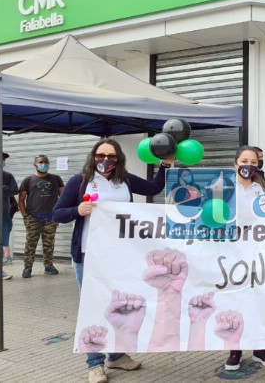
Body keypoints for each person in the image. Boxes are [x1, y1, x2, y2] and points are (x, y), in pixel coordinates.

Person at [52, 138, 174, 383]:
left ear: (118, 159)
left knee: (122, 306)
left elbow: (153, 188)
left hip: (120, 256)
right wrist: (78, 210)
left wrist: (165, 166)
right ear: (93, 156)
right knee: (93, 309)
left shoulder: (125, 180)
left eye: (110, 156)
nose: (105, 160)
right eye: (100, 155)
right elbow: (57, 214)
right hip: (89, 256)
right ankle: (94, 363)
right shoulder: (80, 181)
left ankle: (116, 356)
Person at [223, 145, 265, 370]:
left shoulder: (261, 189)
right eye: (244, 161)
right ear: (235, 164)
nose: (249, 166)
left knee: (259, 299)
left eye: (253, 162)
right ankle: (234, 349)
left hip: (257, 250)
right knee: (234, 299)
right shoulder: (223, 186)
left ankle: (260, 348)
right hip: (229, 251)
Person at [18, 154, 64, 278]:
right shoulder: (28, 180)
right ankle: (27, 268)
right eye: (41, 162)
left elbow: (63, 197)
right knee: (30, 244)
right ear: (35, 165)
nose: (44, 164)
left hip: (51, 218)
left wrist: (59, 213)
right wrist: (25, 216)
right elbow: (21, 199)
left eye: (46, 162)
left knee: (49, 243)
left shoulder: (56, 179)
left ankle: (48, 266)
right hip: (33, 218)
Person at [0, 152, 17, 280]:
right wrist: (4, 188)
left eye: (3, 159)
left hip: (3, 214)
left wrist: (0, 187)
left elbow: (14, 189)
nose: (1, 161)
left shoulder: (7, 176)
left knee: (0, 243)